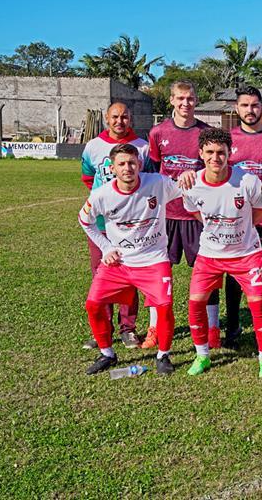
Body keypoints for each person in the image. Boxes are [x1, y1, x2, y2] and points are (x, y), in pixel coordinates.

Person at [199, 85, 262, 351]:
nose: (251, 110)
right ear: (236, 108)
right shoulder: (228, 139)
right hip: (235, 223)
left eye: (255, 105)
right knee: (234, 277)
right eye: (245, 105)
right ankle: (234, 326)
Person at [78, 143, 179, 375]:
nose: (127, 168)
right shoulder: (101, 195)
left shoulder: (157, 183)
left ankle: (163, 355)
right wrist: (106, 247)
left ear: (139, 164)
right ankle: (107, 354)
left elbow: (186, 188)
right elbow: (85, 221)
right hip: (119, 263)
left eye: (132, 163)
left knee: (164, 306)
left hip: (153, 259)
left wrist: (190, 176)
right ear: (112, 168)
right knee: (93, 305)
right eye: (121, 164)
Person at [182, 128, 262, 378]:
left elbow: (259, 213)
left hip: (247, 253)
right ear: (201, 153)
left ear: (229, 153)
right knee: (195, 303)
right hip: (210, 254)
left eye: (221, 152)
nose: (215, 158)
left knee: (257, 304)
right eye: (210, 152)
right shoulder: (192, 185)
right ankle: (202, 355)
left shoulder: (248, 181)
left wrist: (238, 234)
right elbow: (195, 212)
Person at [145, 80, 209, 349]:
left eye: (191, 99)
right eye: (180, 99)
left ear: (196, 100)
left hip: (197, 215)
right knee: (158, 273)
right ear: (171, 100)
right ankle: (154, 329)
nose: (186, 104)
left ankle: (212, 327)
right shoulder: (158, 132)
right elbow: (152, 170)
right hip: (166, 216)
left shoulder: (206, 133)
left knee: (207, 273)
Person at [80, 102, 148, 350]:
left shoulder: (142, 147)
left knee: (130, 275)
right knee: (102, 275)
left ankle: (128, 329)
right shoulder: (93, 146)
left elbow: (147, 179)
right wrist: (106, 200)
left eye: (125, 117)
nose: (120, 121)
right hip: (101, 223)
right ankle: (103, 330)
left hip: (132, 224)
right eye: (115, 117)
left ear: (131, 119)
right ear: (107, 119)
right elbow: (88, 176)